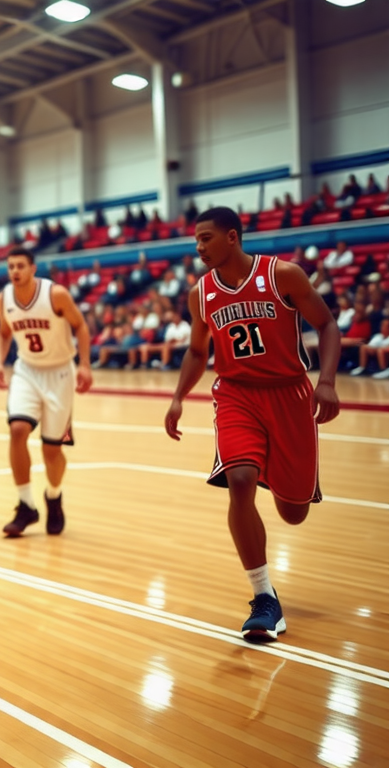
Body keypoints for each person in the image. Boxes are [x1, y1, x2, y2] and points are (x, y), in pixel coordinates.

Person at [165, 206, 341, 643]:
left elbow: (327, 324)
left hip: (291, 395)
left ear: (232, 236)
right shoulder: (200, 294)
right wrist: (177, 397)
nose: (199, 247)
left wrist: (328, 382)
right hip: (236, 395)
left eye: (206, 238)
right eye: (195, 241)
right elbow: (196, 351)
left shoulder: (284, 275)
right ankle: (264, 598)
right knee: (239, 480)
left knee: (293, 512)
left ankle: (274, 474)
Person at [0, 246, 93, 537]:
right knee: (17, 430)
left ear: (33, 269)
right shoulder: (4, 299)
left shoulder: (56, 295)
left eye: (20, 266)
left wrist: (85, 365)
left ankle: (54, 495)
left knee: (52, 450)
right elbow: (3, 331)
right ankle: (26, 505)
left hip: (60, 372)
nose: (15, 271)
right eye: (10, 266)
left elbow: (81, 327)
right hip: (26, 370)